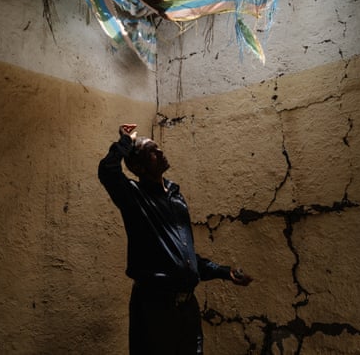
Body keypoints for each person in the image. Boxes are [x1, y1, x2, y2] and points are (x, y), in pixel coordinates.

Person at [98, 123, 253, 355]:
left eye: (158, 148)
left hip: (187, 309)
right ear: (138, 166)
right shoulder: (135, 197)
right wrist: (126, 142)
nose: (160, 152)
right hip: (154, 309)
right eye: (152, 151)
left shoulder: (176, 198)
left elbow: (183, 257)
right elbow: (108, 171)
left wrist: (223, 272)